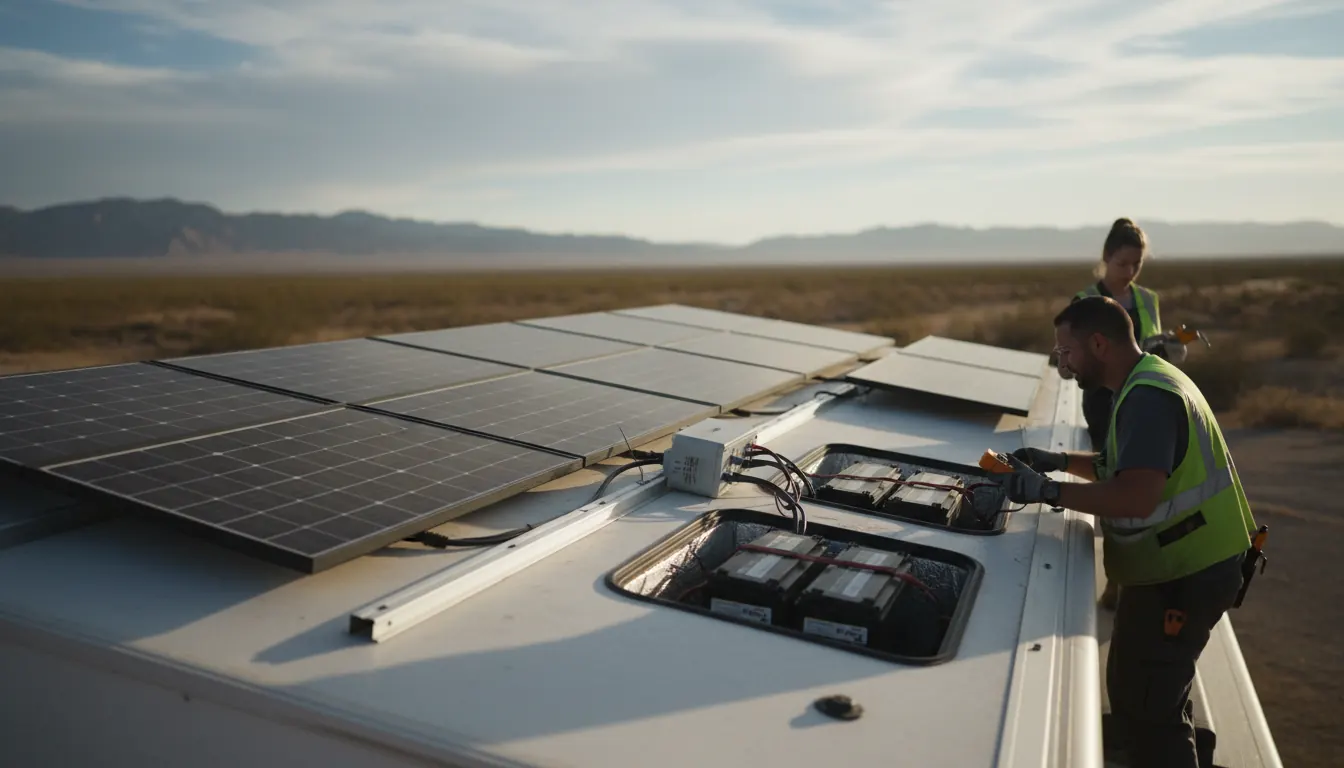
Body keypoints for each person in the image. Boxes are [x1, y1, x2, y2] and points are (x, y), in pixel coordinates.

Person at [1000, 296, 1257, 768]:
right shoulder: (1144, 380)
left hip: (1185, 574)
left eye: (1066, 351)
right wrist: (1059, 461)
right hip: (1179, 568)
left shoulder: (1148, 400)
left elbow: (1136, 497)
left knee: (1150, 711)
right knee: (1140, 689)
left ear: (1098, 344)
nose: (1063, 363)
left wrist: (1048, 492)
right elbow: (1122, 468)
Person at [1065, 218, 1170, 610]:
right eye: (1123, 263)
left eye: (1136, 264)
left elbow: (1151, 349)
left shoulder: (1148, 299)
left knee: (1141, 491)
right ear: (1106, 258)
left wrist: (1168, 351)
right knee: (1112, 489)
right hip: (1102, 406)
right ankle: (1115, 581)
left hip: (1143, 403)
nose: (1129, 271)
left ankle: (1136, 577)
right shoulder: (1084, 299)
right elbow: (1070, 358)